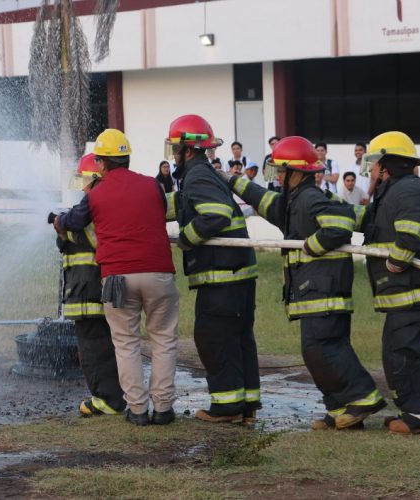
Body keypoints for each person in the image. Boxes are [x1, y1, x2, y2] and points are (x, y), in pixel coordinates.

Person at [227, 136, 385, 430]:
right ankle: (339, 408)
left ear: (297, 173)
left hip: (324, 290)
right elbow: (262, 199)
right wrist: (230, 180)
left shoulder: (309, 198)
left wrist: (313, 245)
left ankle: (363, 396)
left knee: (323, 347)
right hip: (312, 289)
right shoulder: (293, 202)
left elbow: (340, 226)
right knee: (315, 350)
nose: (278, 177)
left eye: (282, 171)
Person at [55, 129, 179, 427]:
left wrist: (58, 221)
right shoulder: (152, 186)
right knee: (163, 340)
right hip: (159, 272)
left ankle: (137, 410)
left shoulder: (97, 194)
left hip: (118, 277)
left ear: (101, 163)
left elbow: (74, 220)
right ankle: (163, 409)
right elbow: (161, 210)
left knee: (126, 343)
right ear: (127, 158)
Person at [357, 131, 420, 435]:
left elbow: (412, 232)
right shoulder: (393, 192)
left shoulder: (408, 191)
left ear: (386, 165)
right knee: (403, 352)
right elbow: (368, 221)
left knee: (403, 352)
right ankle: (416, 411)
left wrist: (395, 262)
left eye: (374, 164)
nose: (371, 170)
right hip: (416, 294)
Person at [164, 114, 261, 424]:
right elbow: (184, 204)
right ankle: (246, 405)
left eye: (176, 148)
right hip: (236, 275)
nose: (173, 155)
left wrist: (187, 238)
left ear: (187, 150)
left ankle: (227, 407)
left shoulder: (197, 176)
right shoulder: (202, 174)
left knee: (214, 338)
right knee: (238, 339)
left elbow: (216, 214)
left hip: (222, 277)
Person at [58, 153, 125, 417]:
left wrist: (64, 227)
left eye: (86, 182)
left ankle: (107, 400)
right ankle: (113, 396)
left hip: (90, 291)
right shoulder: (103, 206)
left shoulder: (96, 209)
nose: (84, 189)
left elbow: (95, 237)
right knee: (105, 345)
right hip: (92, 288)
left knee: (95, 349)